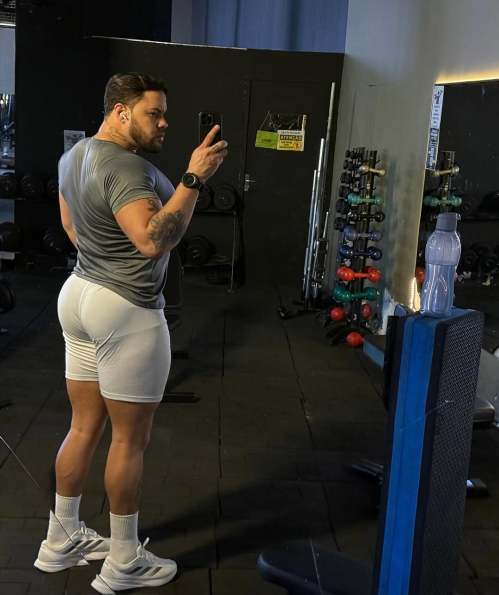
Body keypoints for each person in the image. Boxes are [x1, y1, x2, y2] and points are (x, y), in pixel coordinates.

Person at [33, 72, 228, 593]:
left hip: (79, 294)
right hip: (126, 308)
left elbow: (72, 228)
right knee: (128, 439)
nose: (163, 123)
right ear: (121, 112)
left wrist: (104, 259)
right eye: (153, 113)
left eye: (164, 114)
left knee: (83, 426)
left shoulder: (74, 156)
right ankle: (123, 561)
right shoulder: (125, 166)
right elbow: (152, 240)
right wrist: (192, 179)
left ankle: (61, 540)